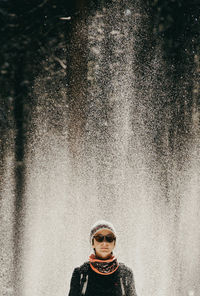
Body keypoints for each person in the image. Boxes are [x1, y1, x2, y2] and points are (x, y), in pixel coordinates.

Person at [68, 220, 138, 296]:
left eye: (109, 238)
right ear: (92, 243)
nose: (104, 243)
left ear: (114, 243)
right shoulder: (80, 274)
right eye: (99, 238)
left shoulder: (125, 275)